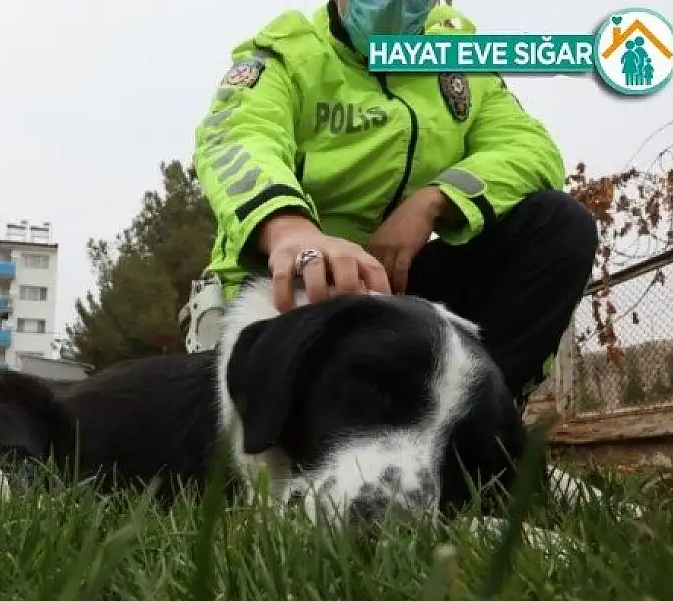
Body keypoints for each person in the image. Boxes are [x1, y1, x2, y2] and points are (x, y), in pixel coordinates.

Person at [181, 0, 597, 414]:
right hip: (285, 288)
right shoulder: (285, 55)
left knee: (560, 225)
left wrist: (436, 200)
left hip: (397, 290)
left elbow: (531, 150)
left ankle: (483, 425)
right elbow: (235, 138)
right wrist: (291, 230)